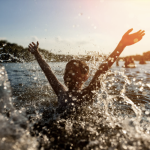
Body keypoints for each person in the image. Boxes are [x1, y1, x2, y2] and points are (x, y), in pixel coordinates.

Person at [28, 28, 145, 114]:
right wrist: (37, 54)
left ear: (85, 77)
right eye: (66, 71)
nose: (68, 75)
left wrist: (122, 45)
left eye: (73, 71)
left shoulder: (87, 94)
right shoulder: (60, 92)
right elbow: (48, 71)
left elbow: (102, 69)